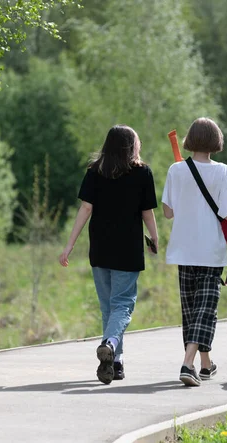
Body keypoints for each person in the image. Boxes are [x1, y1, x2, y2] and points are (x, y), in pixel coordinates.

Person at [59, 125, 158, 385]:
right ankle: (111, 343)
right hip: (127, 250)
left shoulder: (94, 172)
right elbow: (147, 212)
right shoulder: (142, 173)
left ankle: (116, 362)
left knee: (108, 308)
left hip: (100, 249)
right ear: (130, 146)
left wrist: (69, 245)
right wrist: (155, 238)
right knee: (123, 305)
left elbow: (85, 208)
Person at [162, 117, 227, 386]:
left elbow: (168, 212)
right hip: (210, 251)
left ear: (189, 141)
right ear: (216, 142)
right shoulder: (224, 172)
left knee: (192, 311)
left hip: (183, 250)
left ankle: (205, 365)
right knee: (204, 310)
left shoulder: (176, 170)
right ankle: (187, 365)